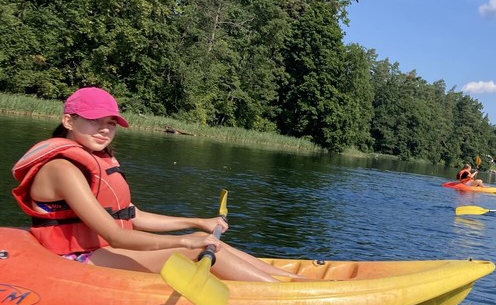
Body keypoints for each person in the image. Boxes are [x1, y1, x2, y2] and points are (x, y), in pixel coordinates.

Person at [11, 87, 302, 282]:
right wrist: (184, 241)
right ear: (68, 121)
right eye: (94, 120)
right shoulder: (62, 168)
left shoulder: (94, 159)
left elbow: (131, 216)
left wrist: (197, 223)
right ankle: (285, 295)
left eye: (111, 123)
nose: (105, 129)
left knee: (209, 241)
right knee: (196, 250)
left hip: (98, 249)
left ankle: (295, 282)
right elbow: (116, 235)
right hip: (74, 260)